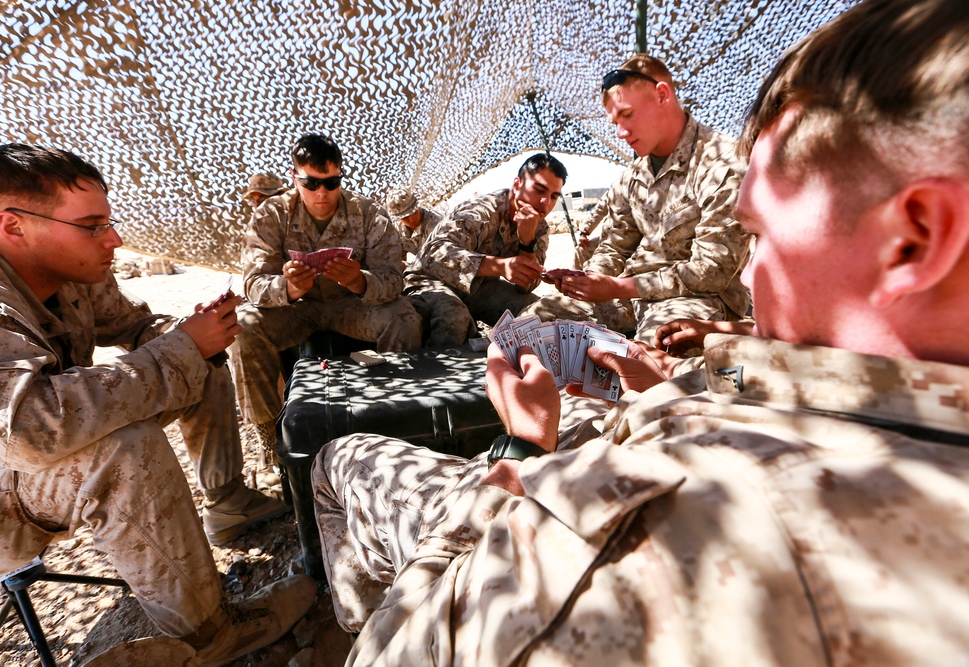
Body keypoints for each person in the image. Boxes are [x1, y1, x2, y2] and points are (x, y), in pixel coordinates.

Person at [311, 0, 969, 663]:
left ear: (914, 239)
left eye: (763, 234)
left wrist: (520, 447)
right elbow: (743, 370)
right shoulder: (802, 372)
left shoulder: (694, 538)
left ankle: (347, 614)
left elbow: (406, 646)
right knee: (538, 334)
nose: (749, 270)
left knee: (336, 459)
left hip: (530, 493)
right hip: (653, 388)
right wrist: (663, 387)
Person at [0, 144, 315, 665]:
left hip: (28, 459)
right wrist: (177, 350)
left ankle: (228, 503)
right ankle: (211, 636)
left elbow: (133, 326)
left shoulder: (71, 264)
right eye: (92, 226)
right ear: (13, 225)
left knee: (202, 359)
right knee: (123, 448)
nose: (114, 239)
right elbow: (25, 432)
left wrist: (187, 336)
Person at [522, 54, 752, 345]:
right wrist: (587, 281)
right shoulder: (632, 177)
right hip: (628, 294)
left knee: (661, 348)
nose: (621, 133)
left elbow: (712, 271)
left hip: (694, 300)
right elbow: (615, 244)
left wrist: (617, 286)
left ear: (662, 95)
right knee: (533, 322)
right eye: (615, 121)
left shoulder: (722, 162)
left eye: (627, 115)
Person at [229, 132, 421, 453]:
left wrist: (360, 281)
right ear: (294, 177)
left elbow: (393, 280)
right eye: (311, 183)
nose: (322, 193)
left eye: (332, 183)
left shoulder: (368, 213)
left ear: (341, 176)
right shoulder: (270, 215)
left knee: (404, 317)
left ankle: (397, 414)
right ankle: (271, 440)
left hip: (350, 306)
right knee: (243, 329)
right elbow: (252, 284)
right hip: (296, 309)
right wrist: (286, 288)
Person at [403, 153, 567, 347]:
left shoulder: (539, 227)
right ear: (517, 184)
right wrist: (499, 266)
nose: (545, 202)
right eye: (539, 190)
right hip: (429, 281)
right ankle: (435, 374)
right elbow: (434, 254)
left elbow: (527, 286)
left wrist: (527, 242)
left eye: (553, 196)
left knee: (540, 313)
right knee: (453, 318)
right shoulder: (481, 211)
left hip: (480, 288)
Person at [383, 186, 444, 258]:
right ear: (398, 218)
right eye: (405, 217)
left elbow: (442, 256)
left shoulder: (436, 223)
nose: (411, 219)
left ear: (417, 207)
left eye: (413, 212)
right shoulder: (397, 229)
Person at [572, 189, 610, 269]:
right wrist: (585, 232)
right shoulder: (617, 189)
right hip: (611, 237)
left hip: (636, 239)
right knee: (582, 249)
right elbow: (599, 210)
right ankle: (577, 279)